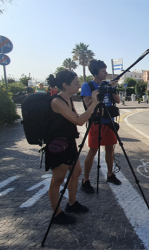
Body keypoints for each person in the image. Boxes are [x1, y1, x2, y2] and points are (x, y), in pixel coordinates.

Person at [45, 70, 99, 224]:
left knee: (76, 172)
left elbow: (77, 119)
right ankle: (57, 214)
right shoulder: (57, 101)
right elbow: (79, 121)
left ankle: (72, 204)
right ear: (65, 85)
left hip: (69, 143)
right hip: (58, 145)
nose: (78, 86)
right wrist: (93, 104)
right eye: (76, 83)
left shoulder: (68, 99)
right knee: (58, 179)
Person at [80, 59, 121, 194]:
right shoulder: (88, 86)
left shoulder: (107, 85)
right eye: (103, 71)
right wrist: (99, 93)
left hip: (109, 122)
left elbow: (117, 100)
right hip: (96, 123)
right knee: (92, 151)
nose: (106, 73)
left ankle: (110, 175)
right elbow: (88, 105)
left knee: (110, 149)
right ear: (96, 72)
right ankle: (86, 180)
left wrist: (112, 88)